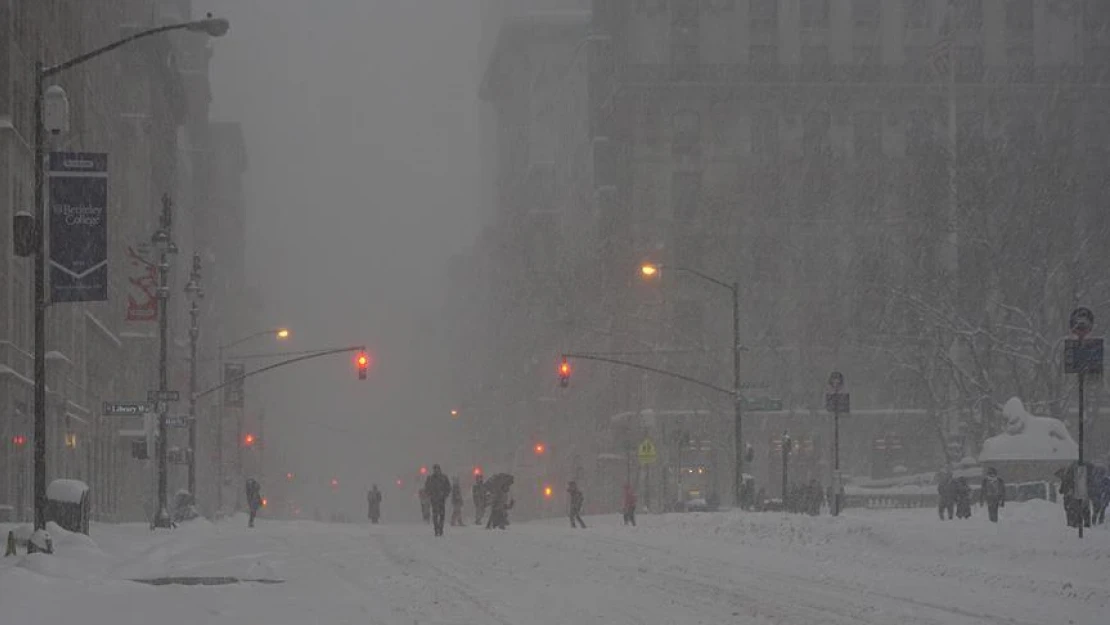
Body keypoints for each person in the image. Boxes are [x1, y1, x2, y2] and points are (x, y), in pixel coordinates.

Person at [424, 464, 452, 536]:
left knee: (442, 515)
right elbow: (426, 488)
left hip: (441, 499)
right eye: (435, 469)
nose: (436, 471)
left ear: (439, 469)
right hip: (434, 500)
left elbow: (448, 487)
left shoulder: (444, 478)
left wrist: (445, 495)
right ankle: (436, 529)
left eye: (437, 469)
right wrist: (430, 495)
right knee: (435, 515)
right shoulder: (430, 478)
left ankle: (441, 528)